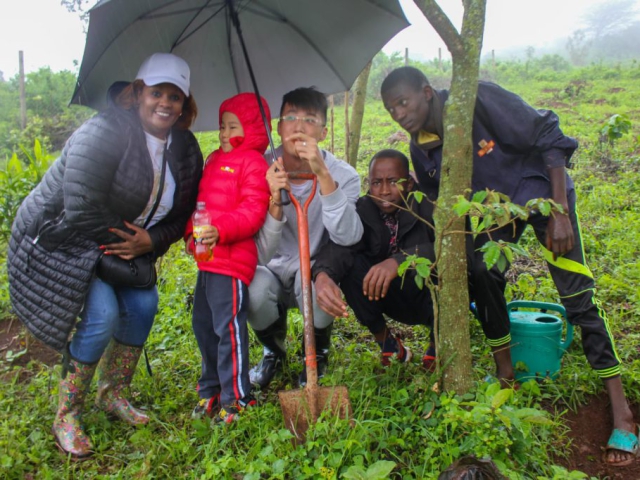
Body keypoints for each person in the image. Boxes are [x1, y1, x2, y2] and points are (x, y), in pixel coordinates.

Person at [380, 66, 637, 467]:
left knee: (576, 295)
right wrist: (408, 201)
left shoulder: (477, 98)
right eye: (390, 108)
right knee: (481, 274)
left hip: (539, 194)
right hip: (493, 216)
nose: (398, 113)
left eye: (402, 102)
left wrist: (560, 211)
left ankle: (621, 409)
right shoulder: (421, 146)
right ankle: (506, 373)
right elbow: (440, 199)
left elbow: (546, 132)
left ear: (427, 92)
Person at [7, 53, 203, 459]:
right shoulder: (104, 131)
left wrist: (150, 241)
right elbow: (78, 206)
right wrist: (129, 241)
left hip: (122, 246)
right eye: (156, 93)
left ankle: (113, 393)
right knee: (101, 317)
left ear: (185, 103)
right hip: (66, 239)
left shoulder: (185, 147)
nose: (165, 103)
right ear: (137, 93)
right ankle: (67, 412)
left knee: (145, 303)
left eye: (175, 96)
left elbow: (183, 211)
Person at [248, 87, 363, 389]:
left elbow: (348, 235)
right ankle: (273, 349)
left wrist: (323, 175)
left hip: (311, 267)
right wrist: (272, 198)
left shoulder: (345, 174)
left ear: (323, 132)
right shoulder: (258, 168)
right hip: (270, 268)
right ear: (278, 127)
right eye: (290, 117)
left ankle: (318, 353)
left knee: (316, 285)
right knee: (253, 289)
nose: (299, 127)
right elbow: (259, 255)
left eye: (310, 120)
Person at [184, 93, 271, 423]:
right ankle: (211, 389)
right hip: (207, 257)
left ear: (251, 129)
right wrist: (190, 232)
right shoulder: (213, 160)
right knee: (202, 325)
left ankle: (237, 398)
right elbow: (203, 203)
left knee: (227, 329)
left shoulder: (254, 163)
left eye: (232, 126)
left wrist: (219, 230)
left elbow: (252, 211)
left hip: (232, 259)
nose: (223, 133)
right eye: (222, 126)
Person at [312, 149, 438, 369]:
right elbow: (342, 247)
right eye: (376, 183)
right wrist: (322, 274)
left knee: (452, 270)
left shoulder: (428, 205)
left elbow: (452, 249)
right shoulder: (364, 209)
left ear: (409, 184)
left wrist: (399, 261)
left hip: (428, 295)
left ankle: (437, 343)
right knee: (351, 269)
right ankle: (387, 342)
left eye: (393, 182)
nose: (384, 191)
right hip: (388, 295)